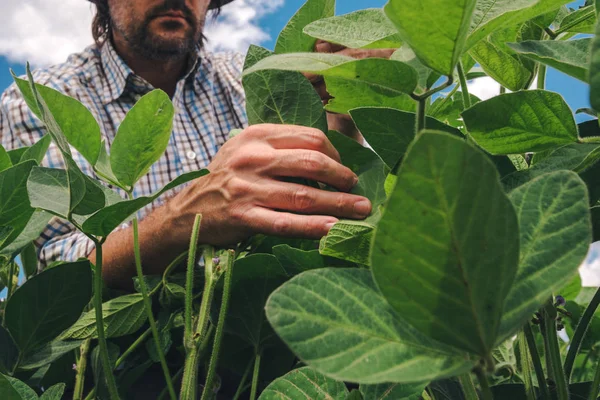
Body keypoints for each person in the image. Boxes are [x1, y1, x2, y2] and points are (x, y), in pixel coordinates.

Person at [0, 0, 387, 290]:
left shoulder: (252, 78)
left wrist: (348, 105)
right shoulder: (45, 99)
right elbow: (53, 276)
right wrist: (184, 220)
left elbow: (319, 187)